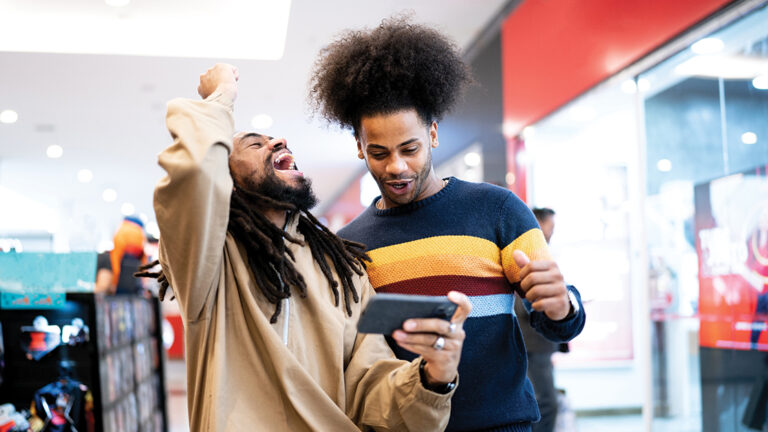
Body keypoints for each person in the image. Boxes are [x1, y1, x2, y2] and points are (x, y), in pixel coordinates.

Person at [139, 63, 472, 431]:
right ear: (225, 177)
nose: (278, 142)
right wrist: (220, 98)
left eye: (277, 140)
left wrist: (431, 379)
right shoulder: (209, 261)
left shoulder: (342, 272)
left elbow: (371, 387)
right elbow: (193, 178)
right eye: (254, 143)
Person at [310, 18, 586, 431]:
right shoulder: (349, 245)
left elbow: (555, 319)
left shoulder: (498, 209)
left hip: (502, 425)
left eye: (410, 148)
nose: (397, 167)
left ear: (434, 134)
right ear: (359, 148)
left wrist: (564, 304)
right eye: (379, 153)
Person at [513, 208, 567, 432]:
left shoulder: (540, 253)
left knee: (545, 401)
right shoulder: (526, 254)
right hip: (533, 341)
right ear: (538, 223)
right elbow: (525, 301)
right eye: (550, 226)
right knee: (546, 403)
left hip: (539, 341)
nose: (551, 232)